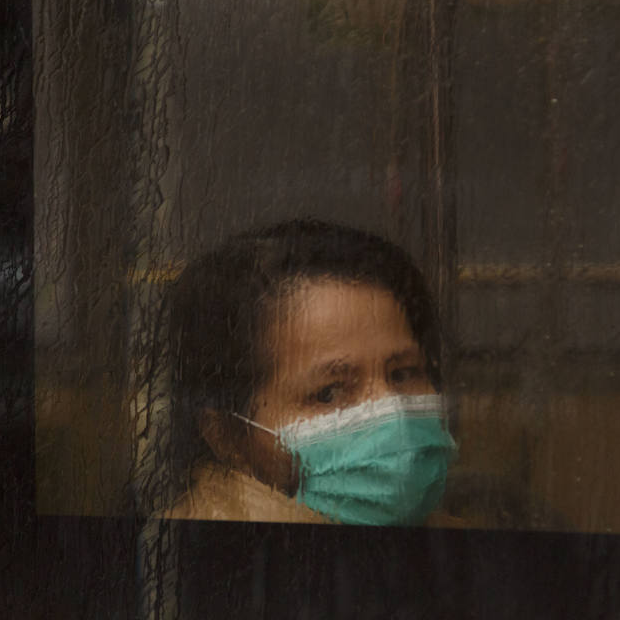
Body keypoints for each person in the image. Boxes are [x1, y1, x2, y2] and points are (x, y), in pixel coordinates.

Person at [159, 219, 457, 526]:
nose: (394, 413)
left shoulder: (442, 544)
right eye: (329, 393)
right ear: (227, 438)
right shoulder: (209, 561)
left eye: (403, 374)